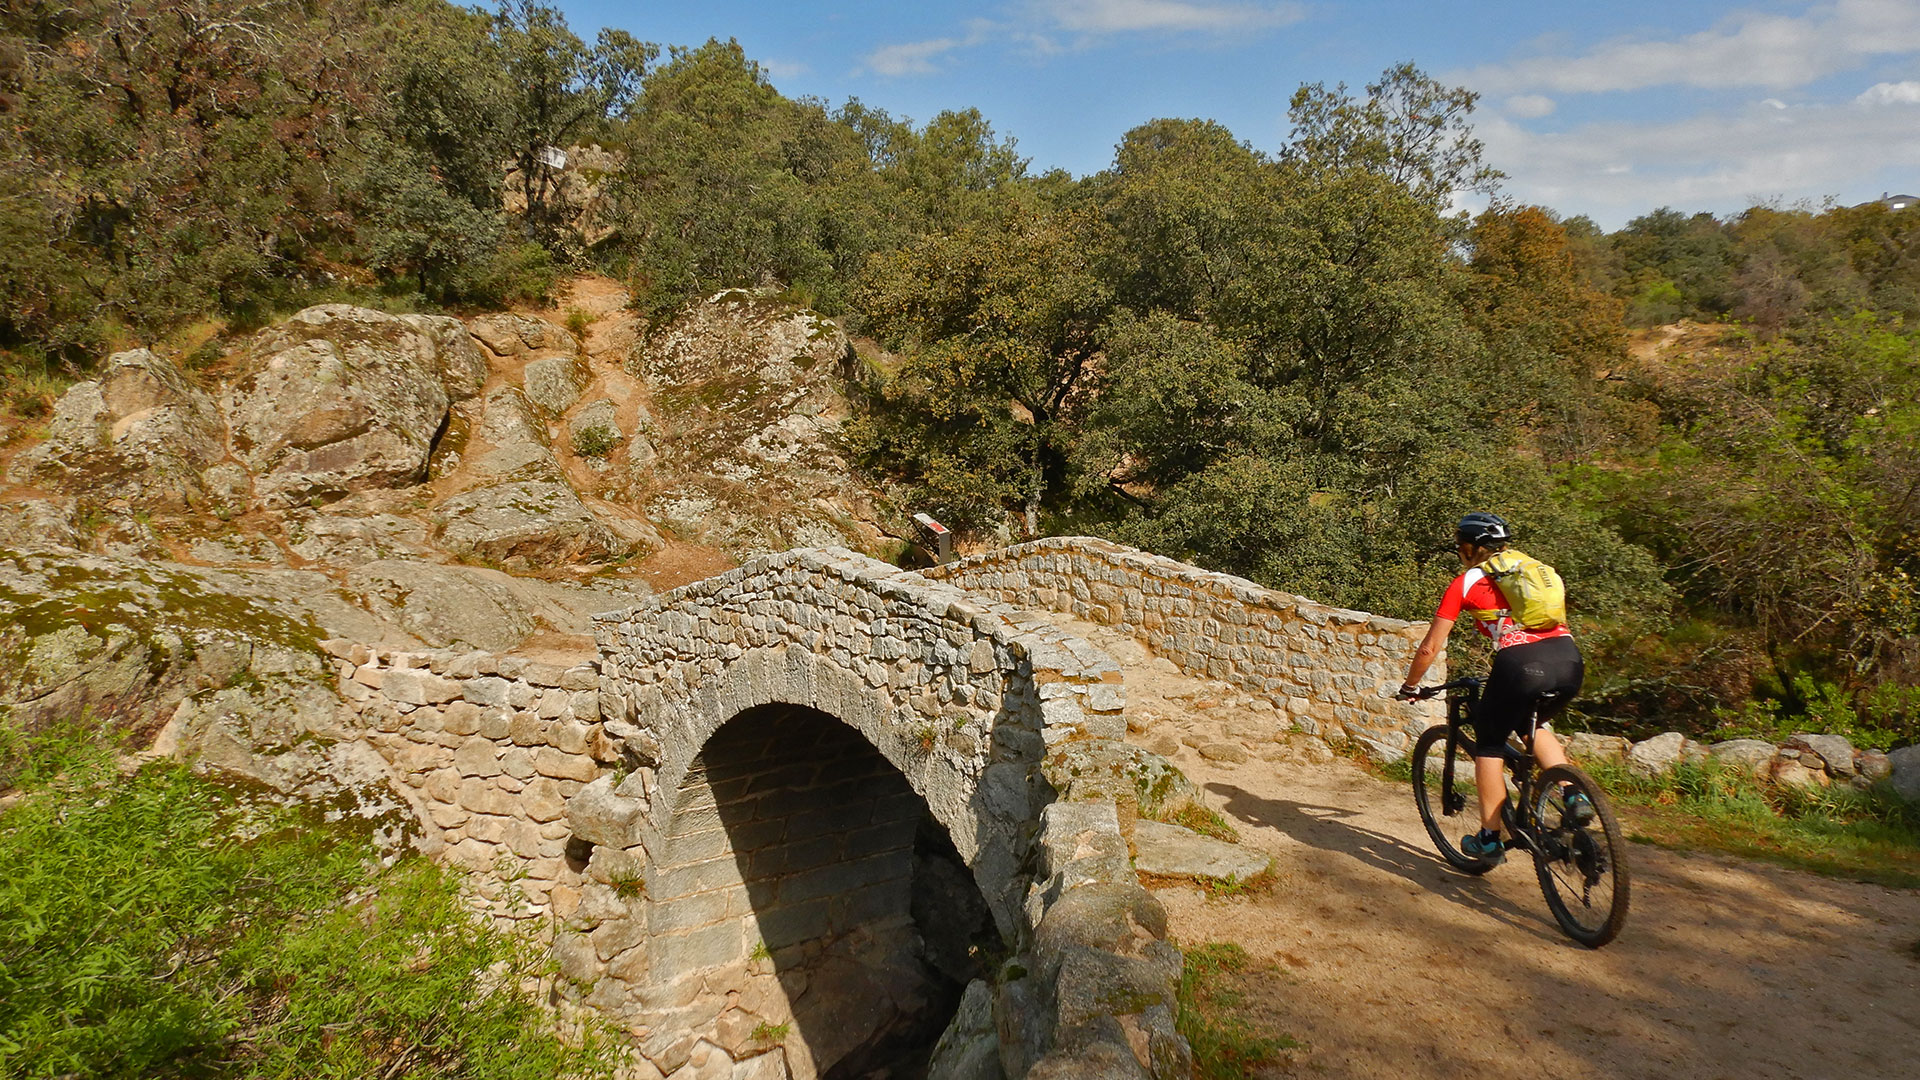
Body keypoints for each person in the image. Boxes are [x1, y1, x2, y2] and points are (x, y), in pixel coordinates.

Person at [1396, 512, 1588, 864]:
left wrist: (1411, 685)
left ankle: (1488, 838)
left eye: (1460, 547)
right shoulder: (1531, 570)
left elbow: (1429, 648)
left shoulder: (1466, 582)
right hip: (1570, 660)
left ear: (1469, 548)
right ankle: (1574, 794)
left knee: (1489, 743)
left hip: (1520, 665)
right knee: (1535, 724)